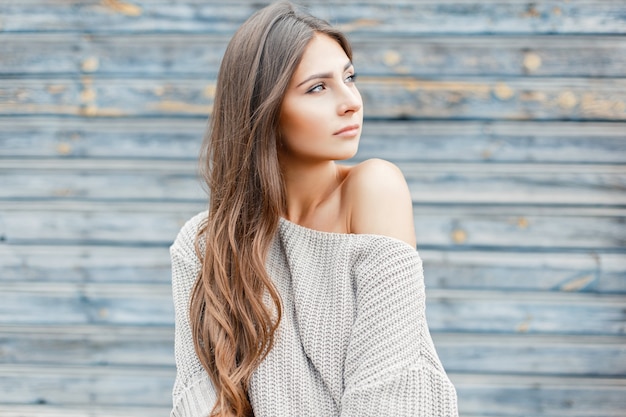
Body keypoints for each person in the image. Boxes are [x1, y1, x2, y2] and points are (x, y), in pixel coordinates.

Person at [170, 1, 458, 416]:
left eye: (349, 78)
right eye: (318, 88)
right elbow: (198, 394)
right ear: (263, 110)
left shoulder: (373, 188)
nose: (351, 102)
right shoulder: (203, 244)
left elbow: (386, 389)